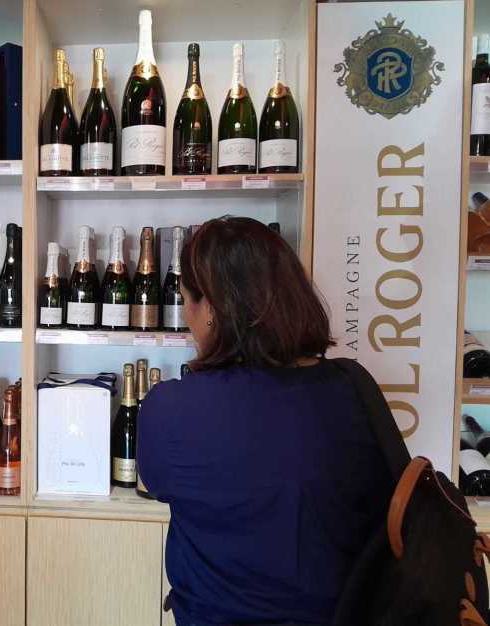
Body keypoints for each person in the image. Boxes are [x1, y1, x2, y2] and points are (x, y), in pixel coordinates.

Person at [137, 216, 392, 626]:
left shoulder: (170, 410)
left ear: (211, 309)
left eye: (186, 301)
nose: (186, 318)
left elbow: (158, 484)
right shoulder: (354, 388)